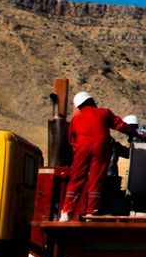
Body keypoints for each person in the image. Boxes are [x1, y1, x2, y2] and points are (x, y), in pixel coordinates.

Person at [60, 91, 140, 219]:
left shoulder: (75, 119)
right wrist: (136, 133)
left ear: (79, 106)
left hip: (82, 147)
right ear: (91, 101)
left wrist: (81, 149)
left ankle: (66, 213)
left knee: (76, 178)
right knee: (96, 179)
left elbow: (72, 140)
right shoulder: (104, 112)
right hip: (101, 147)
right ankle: (92, 212)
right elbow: (120, 125)